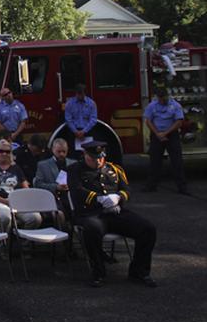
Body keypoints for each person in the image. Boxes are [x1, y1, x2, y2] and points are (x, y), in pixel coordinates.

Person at [67, 141, 157, 288]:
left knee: (147, 229)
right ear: (85, 155)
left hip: (115, 212)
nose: (98, 161)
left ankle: (139, 271)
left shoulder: (115, 169)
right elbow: (76, 192)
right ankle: (98, 272)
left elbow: (127, 189)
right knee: (92, 230)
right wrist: (99, 199)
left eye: (100, 157)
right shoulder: (75, 170)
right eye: (94, 158)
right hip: (91, 213)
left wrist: (118, 197)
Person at [0, 140, 41, 231]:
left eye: (7, 152)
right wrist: (4, 201)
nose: (4, 154)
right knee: (6, 217)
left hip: (17, 202)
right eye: (1, 151)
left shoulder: (16, 168)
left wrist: (18, 200)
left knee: (35, 218)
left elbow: (26, 188)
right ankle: (4, 242)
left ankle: (23, 241)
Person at [144, 88, 188, 195]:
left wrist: (166, 133)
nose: (163, 100)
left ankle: (182, 187)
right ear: (157, 97)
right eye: (161, 98)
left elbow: (179, 122)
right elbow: (148, 121)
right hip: (157, 134)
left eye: (164, 97)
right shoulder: (152, 106)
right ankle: (151, 186)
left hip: (171, 134)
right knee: (155, 161)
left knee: (177, 161)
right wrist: (158, 134)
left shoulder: (175, 105)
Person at [33, 138, 74, 210]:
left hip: (72, 197)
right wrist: (56, 187)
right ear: (53, 150)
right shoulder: (43, 165)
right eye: (59, 151)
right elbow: (38, 184)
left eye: (64, 151)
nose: (61, 154)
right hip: (52, 198)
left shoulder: (74, 163)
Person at [65, 84, 98, 159]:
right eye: (78, 93)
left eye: (81, 93)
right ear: (75, 93)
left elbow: (93, 119)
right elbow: (68, 119)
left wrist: (84, 131)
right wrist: (75, 131)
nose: (79, 95)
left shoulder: (91, 103)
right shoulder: (69, 104)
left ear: (84, 93)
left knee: (89, 152)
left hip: (88, 131)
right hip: (74, 132)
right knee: (74, 153)